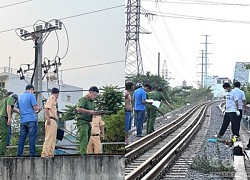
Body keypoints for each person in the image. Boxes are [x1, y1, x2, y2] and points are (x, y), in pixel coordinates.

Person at [17, 85, 42, 157]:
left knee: (22, 138)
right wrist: (39, 108)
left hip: (23, 120)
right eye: (33, 91)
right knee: (32, 137)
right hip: (31, 119)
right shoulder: (31, 96)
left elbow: (19, 108)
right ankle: (32, 154)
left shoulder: (20, 97)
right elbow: (35, 108)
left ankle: (19, 154)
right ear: (31, 89)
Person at [76, 86, 99, 155]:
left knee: (88, 137)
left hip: (88, 121)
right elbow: (79, 109)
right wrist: (90, 112)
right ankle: (83, 154)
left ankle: (84, 151)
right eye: (94, 95)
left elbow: (92, 111)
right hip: (82, 121)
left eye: (96, 96)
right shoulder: (84, 99)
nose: (94, 97)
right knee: (84, 136)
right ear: (90, 92)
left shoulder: (93, 102)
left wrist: (95, 113)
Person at [41, 88, 60, 158]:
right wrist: (48, 118)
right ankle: (45, 154)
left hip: (53, 120)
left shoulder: (54, 100)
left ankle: (50, 153)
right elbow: (46, 108)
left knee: (53, 138)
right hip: (51, 119)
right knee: (49, 137)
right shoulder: (51, 99)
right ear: (57, 94)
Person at [0, 93, 19, 157]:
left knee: (2, 136)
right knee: (4, 138)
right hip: (3, 119)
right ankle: (1, 154)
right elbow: (9, 107)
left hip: (1, 118)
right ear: (15, 99)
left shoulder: (3, 101)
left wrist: (22, 112)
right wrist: (9, 118)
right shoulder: (11, 99)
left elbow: (13, 109)